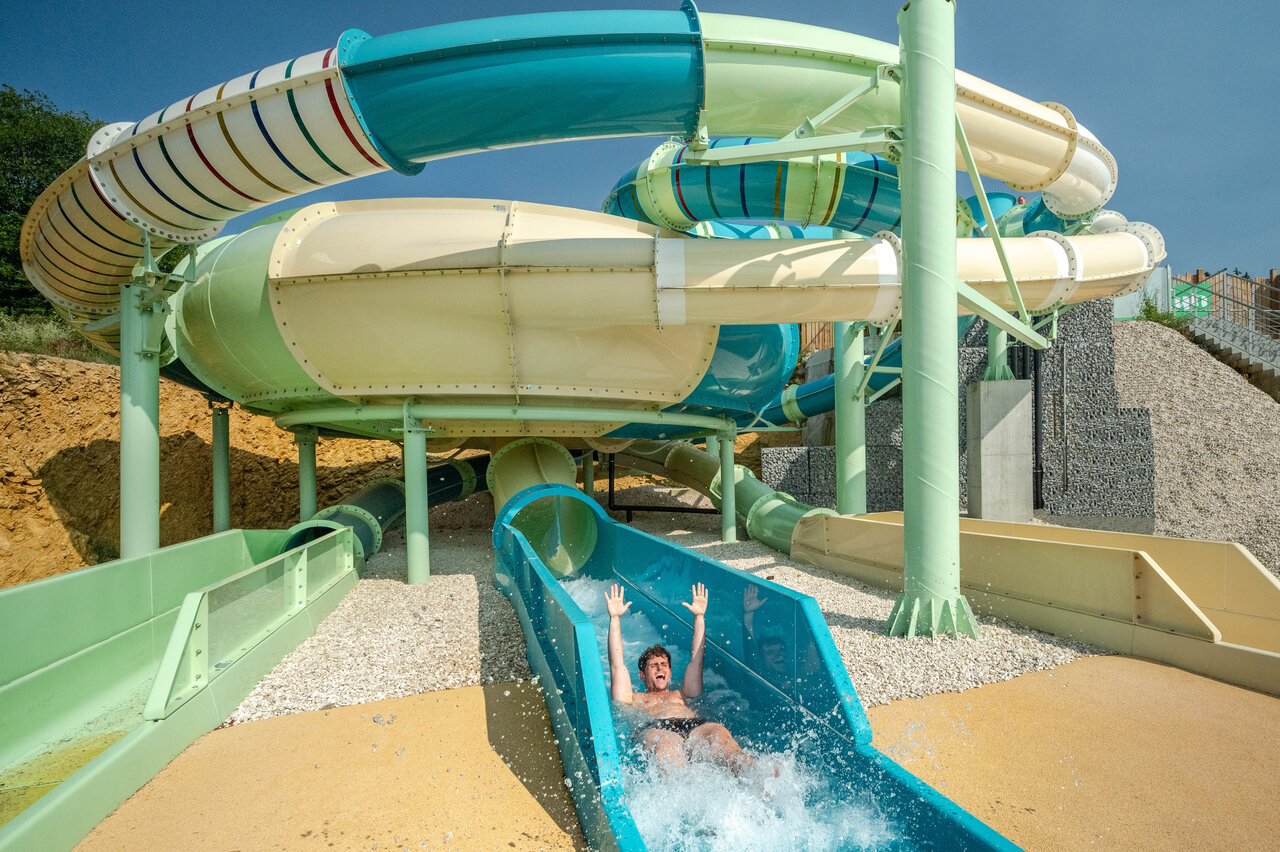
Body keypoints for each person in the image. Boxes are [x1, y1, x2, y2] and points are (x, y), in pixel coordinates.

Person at [605, 582, 755, 773]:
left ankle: (758, 775)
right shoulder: (632, 698)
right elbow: (616, 665)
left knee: (719, 735)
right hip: (657, 728)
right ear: (642, 675)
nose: (661, 667)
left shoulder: (681, 694)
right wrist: (615, 619)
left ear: (669, 672)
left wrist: (699, 617)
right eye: (654, 665)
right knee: (665, 746)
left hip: (695, 726)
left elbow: (696, 661)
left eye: (664, 665)